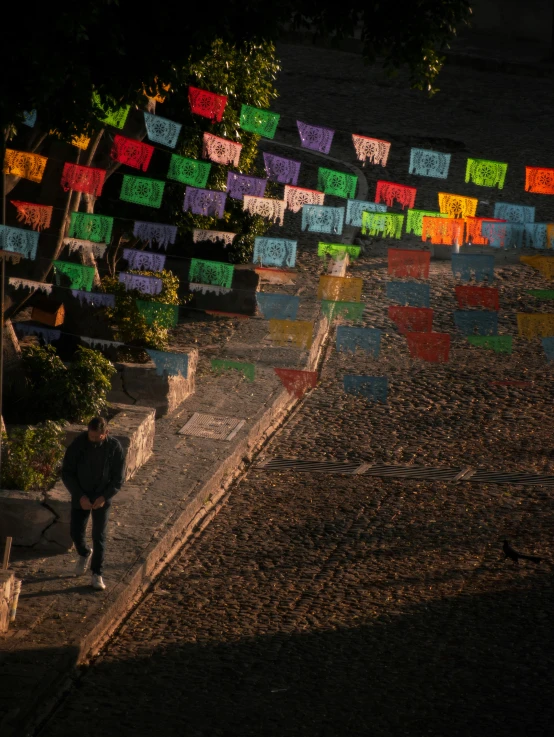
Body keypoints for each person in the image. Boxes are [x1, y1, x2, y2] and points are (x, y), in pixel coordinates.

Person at [61, 416, 125, 590]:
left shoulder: (114, 448)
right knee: (75, 532)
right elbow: (67, 473)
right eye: (92, 436)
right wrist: (80, 496)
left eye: (98, 437)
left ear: (106, 433)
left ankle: (97, 573)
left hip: (102, 496)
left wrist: (104, 497)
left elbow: (118, 478)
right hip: (81, 493)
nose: (94, 439)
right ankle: (84, 552)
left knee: (99, 536)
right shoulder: (78, 445)